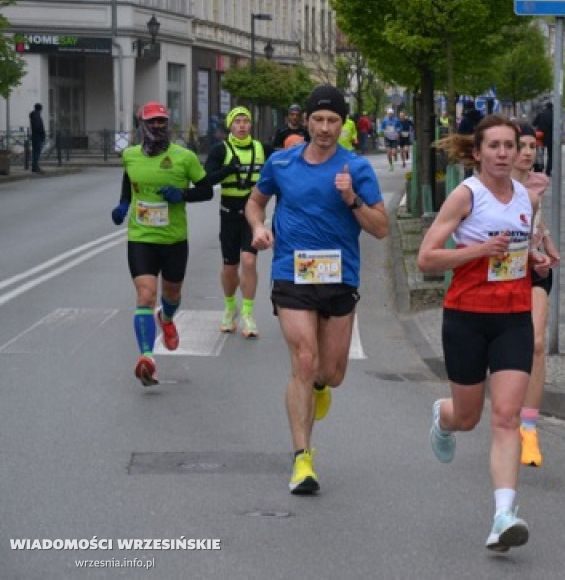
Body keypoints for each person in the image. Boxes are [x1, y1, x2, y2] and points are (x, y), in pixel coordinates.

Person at [245, 84, 389, 495]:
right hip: (293, 273)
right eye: (318, 120)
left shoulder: (356, 168)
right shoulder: (282, 162)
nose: (325, 128)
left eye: (333, 121)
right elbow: (255, 202)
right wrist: (258, 226)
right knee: (303, 361)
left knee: (331, 373)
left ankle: (321, 387)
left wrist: (351, 199)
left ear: (343, 125)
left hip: (339, 277)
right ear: (305, 121)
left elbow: (380, 229)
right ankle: (302, 459)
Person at [418, 114, 551, 552]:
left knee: (506, 417)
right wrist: (477, 250)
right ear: (477, 153)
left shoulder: (525, 200)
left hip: (513, 317)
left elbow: (520, 250)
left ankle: (503, 515)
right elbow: (427, 259)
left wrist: (537, 260)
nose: (502, 153)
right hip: (466, 318)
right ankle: (445, 415)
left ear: (518, 151)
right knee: (469, 416)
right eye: (492, 146)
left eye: (509, 146)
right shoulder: (465, 196)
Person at [110, 101, 213, 386]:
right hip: (141, 238)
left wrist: (182, 194)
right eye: (151, 122)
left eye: (162, 122)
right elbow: (129, 186)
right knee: (145, 295)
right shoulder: (130, 156)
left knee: (171, 294)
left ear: (168, 125)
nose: (157, 126)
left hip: (174, 239)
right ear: (141, 125)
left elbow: (206, 191)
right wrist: (122, 207)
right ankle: (147, 357)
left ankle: (166, 318)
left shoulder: (185, 157)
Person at [511, 123, 561, 468]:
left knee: (537, 343)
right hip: (502, 272)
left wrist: (548, 243)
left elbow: (536, 222)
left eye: (533, 146)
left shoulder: (539, 183)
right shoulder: (489, 187)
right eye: (522, 146)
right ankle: (505, 411)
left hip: (536, 270)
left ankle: (529, 428)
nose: (529, 152)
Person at [204, 106, 266, 338]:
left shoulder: (261, 149)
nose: (241, 125)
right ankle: (230, 307)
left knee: (249, 261)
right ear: (230, 125)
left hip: (253, 216)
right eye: (237, 121)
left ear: (250, 125)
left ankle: (248, 315)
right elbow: (206, 179)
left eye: (245, 121)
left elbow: (282, 167)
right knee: (230, 266)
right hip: (229, 214)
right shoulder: (220, 150)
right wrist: (228, 169)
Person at [531, 102, 554, 176]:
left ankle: (539, 168)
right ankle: (548, 171)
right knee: (550, 155)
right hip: (551, 137)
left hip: (540, 137)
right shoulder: (554, 114)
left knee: (540, 153)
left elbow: (534, 123)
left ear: (545, 106)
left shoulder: (540, 114)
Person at [29, 103, 46, 173]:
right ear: (40, 109)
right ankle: (35, 167)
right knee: (37, 152)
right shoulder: (36, 115)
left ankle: (34, 166)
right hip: (37, 136)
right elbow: (38, 126)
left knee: (35, 152)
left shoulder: (34, 115)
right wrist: (42, 133)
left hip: (35, 135)